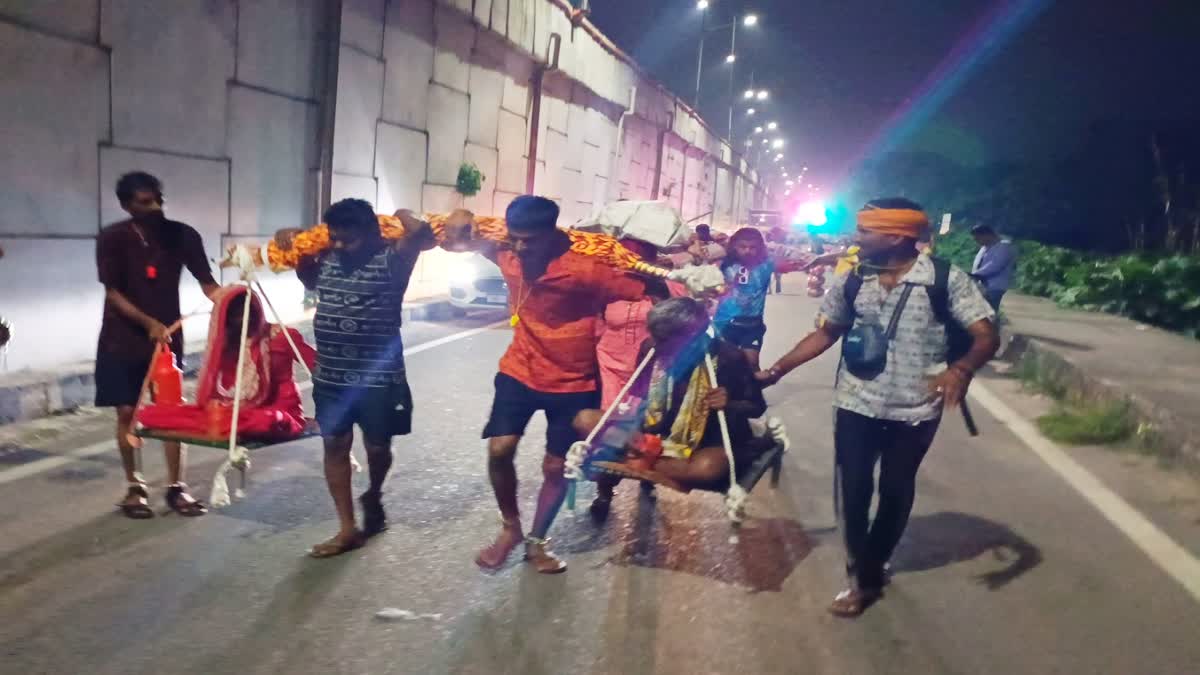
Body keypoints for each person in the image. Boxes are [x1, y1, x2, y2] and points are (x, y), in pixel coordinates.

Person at [756, 198, 998, 618]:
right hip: (855, 402)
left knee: (895, 490)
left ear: (896, 236)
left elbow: (985, 335)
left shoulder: (943, 279)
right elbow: (826, 333)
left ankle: (875, 558)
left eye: (866, 231)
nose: (857, 237)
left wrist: (961, 369)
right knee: (852, 490)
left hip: (916, 409)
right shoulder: (853, 280)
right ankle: (863, 579)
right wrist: (775, 370)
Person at [441, 196, 661, 573]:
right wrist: (458, 217)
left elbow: (646, 290)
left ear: (553, 234)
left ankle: (537, 542)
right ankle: (510, 528)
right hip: (519, 370)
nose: (522, 247)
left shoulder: (586, 270)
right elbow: (448, 235)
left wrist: (674, 304)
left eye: (531, 240)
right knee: (499, 450)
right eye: (516, 238)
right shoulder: (506, 252)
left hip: (575, 381)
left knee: (555, 467)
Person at [274, 199, 435, 558]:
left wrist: (399, 215)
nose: (340, 246)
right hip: (330, 376)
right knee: (334, 446)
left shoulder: (394, 260)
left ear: (372, 234)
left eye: (349, 240)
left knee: (378, 447)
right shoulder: (327, 260)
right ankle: (348, 529)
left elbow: (421, 231)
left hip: (379, 378)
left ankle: (374, 493)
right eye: (334, 238)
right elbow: (305, 273)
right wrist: (289, 239)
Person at [96, 171, 220, 519]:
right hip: (122, 337)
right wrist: (147, 323)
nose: (154, 208)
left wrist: (230, 298)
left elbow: (208, 283)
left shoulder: (182, 235)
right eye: (144, 203)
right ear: (126, 204)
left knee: (171, 412)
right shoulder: (112, 238)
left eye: (157, 200)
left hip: (166, 337)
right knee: (126, 412)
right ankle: (135, 487)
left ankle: (176, 487)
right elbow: (113, 292)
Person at [575, 297, 769, 515]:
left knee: (708, 469)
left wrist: (729, 403)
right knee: (585, 419)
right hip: (651, 434)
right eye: (657, 338)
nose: (658, 345)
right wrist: (629, 426)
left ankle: (629, 458)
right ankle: (612, 485)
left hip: (703, 442)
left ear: (694, 337)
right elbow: (639, 395)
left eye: (666, 341)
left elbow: (756, 406)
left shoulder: (728, 357)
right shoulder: (651, 348)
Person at [135, 286, 316, 440]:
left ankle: (231, 425)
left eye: (247, 312)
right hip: (242, 410)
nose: (244, 319)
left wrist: (328, 412)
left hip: (278, 411)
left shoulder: (282, 336)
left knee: (266, 420)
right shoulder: (230, 344)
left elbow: (319, 368)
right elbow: (229, 390)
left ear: (256, 310)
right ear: (226, 320)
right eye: (236, 315)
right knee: (157, 415)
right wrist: (216, 404)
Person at [714, 227, 811, 371]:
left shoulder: (767, 264)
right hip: (724, 324)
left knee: (752, 363)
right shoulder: (722, 264)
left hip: (753, 325)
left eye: (752, 247)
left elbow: (801, 261)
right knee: (722, 365)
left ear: (759, 247)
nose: (747, 251)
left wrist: (777, 247)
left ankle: (752, 392)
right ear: (734, 246)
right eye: (743, 247)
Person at [970, 225, 1018, 311]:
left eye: (978, 238)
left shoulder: (1004, 247)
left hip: (994, 287)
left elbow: (995, 266)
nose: (976, 241)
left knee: (988, 313)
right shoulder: (985, 247)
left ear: (987, 235)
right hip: (982, 286)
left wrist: (974, 275)